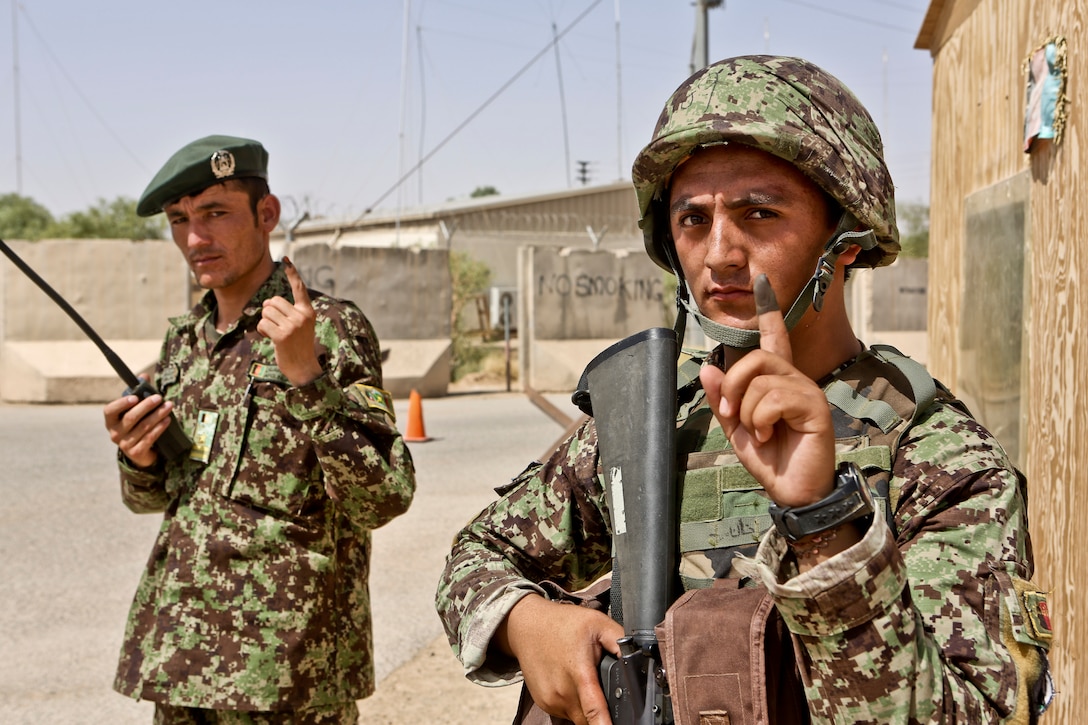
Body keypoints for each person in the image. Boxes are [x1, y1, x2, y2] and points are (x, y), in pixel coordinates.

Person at [436, 56, 1053, 724]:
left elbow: (978, 712)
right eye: (693, 219)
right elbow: (476, 557)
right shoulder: (653, 425)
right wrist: (530, 623)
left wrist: (826, 522)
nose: (719, 251)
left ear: (844, 240)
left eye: (759, 213)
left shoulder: (939, 456)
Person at [103, 134, 416, 724]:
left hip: (286, 672)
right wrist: (137, 456)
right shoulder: (185, 342)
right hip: (184, 662)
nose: (195, 239)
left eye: (215, 214)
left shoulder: (329, 328)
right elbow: (159, 501)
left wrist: (307, 378)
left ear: (266, 214)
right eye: (179, 220)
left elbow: (383, 498)